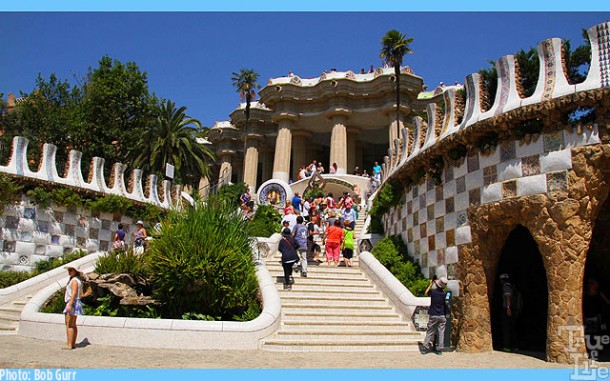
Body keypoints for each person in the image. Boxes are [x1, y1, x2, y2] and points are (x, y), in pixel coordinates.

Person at [420, 276, 448, 355]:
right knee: (441, 333)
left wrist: (431, 284)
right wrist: (437, 283)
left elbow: (426, 293)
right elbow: (442, 289)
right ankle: (439, 349)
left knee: (430, 331)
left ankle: (425, 348)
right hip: (442, 315)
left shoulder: (433, 292)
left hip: (433, 315)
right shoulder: (444, 294)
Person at [63, 265, 84, 350]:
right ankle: (72, 342)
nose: (69, 271)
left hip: (72, 302)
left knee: (69, 323)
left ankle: (69, 343)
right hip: (76, 302)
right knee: (73, 324)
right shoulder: (77, 280)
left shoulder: (74, 281)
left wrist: (70, 304)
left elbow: (74, 293)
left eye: (71, 270)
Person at [499, 273, 518, 352]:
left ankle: (507, 346)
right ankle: (514, 346)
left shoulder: (506, 286)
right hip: (511, 309)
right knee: (512, 327)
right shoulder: (512, 287)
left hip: (507, 309)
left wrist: (508, 307)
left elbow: (508, 296)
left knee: (507, 328)